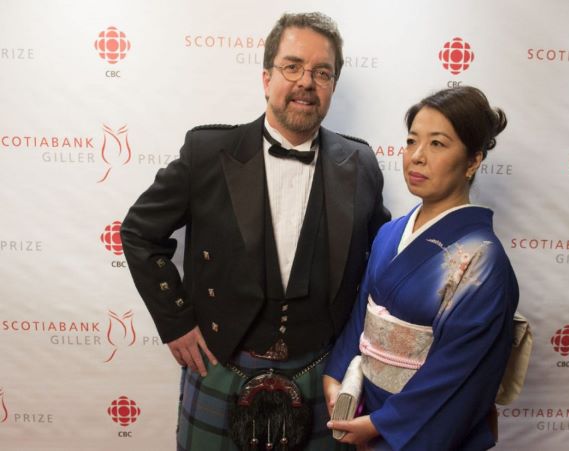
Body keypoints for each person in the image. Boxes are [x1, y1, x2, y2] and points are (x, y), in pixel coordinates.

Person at [120, 12, 389, 451]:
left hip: (319, 373)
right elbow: (137, 232)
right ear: (266, 77)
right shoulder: (207, 153)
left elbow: (382, 263)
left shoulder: (359, 165)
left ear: (333, 86)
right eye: (292, 66)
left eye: (322, 72)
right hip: (222, 366)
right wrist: (176, 322)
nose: (307, 81)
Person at [324, 86, 518, 450]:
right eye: (412, 141)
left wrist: (383, 425)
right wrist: (336, 378)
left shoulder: (482, 261)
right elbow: (360, 318)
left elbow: (460, 375)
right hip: (363, 410)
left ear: (473, 160)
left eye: (438, 144)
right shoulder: (389, 233)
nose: (417, 156)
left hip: (410, 427)